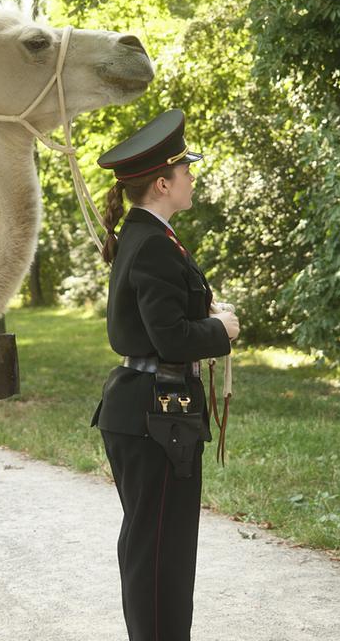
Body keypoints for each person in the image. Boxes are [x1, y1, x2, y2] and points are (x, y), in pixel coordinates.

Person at [90, 109, 240, 641]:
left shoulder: (148, 234)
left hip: (153, 413)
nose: (192, 178)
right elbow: (170, 339)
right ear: (162, 183)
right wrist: (223, 329)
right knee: (159, 553)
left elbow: (164, 320)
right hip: (156, 415)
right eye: (186, 171)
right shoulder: (152, 241)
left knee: (159, 548)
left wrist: (205, 316)